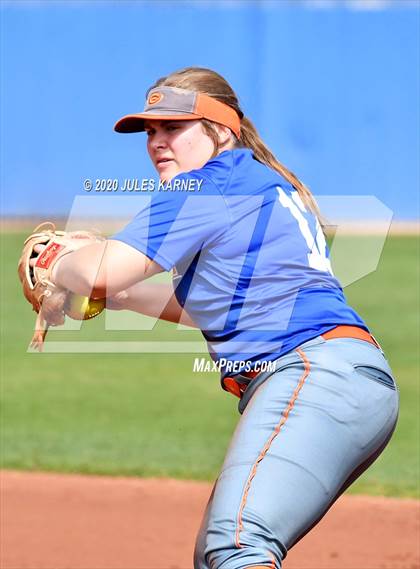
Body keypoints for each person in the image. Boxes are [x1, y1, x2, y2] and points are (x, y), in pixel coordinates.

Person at [32, 67, 399, 568]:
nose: (157, 141)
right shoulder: (255, 182)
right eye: (151, 130)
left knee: (237, 547)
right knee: (219, 554)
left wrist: (61, 261)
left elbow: (100, 271)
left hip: (314, 378)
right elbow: (215, 303)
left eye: (173, 127)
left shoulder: (208, 186)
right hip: (346, 383)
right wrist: (117, 298)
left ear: (221, 129)